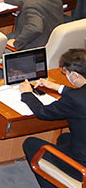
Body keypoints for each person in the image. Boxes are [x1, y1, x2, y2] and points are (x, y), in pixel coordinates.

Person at [21, 49, 86, 188]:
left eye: (66, 73)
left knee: (31, 143)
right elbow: (81, 95)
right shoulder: (77, 96)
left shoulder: (74, 99)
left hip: (82, 168)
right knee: (64, 138)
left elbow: (43, 113)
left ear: (74, 75)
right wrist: (58, 87)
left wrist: (27, 94)